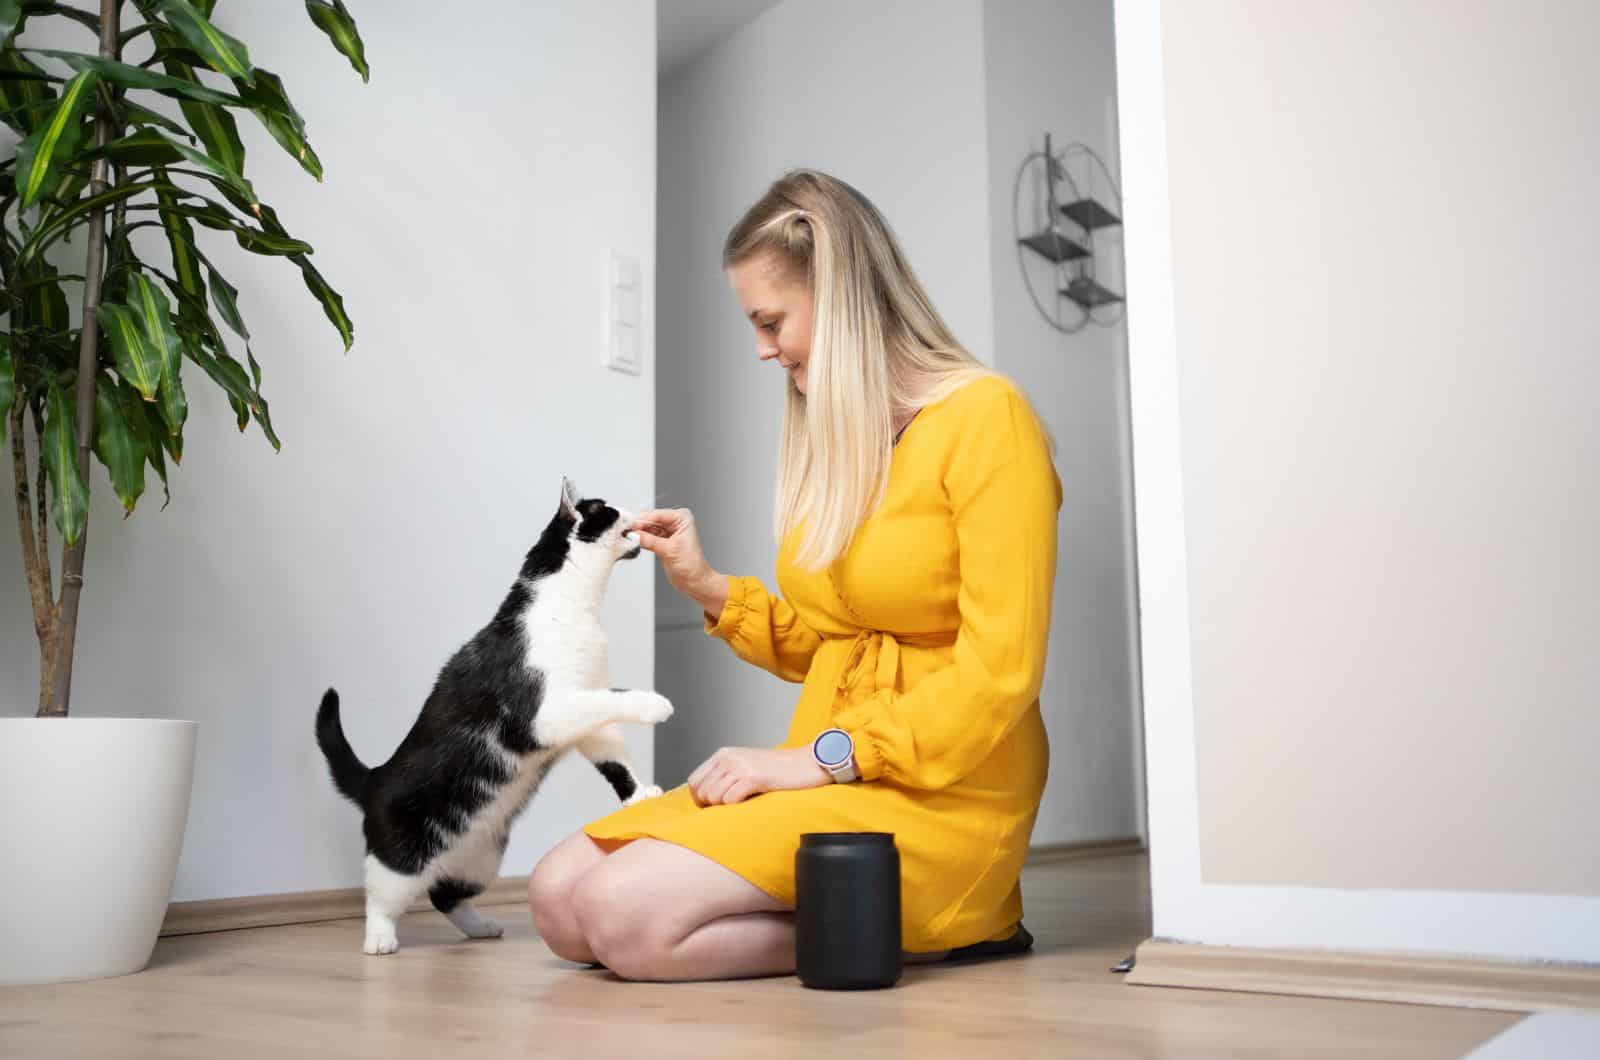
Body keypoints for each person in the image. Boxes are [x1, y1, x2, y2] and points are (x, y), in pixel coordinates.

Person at [527, 168, 1061, 982]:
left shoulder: (990, 420)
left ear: (839, 297)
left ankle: (960, 921)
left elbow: (1001, 673)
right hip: (838, 773)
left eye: (772, 320)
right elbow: (838, 648)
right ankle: (850, 913)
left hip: (949, 791)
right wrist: (709, 586)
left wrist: (818, 758)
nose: (762, 347)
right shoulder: (841, 438)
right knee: (558, 900)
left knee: (621, 915)